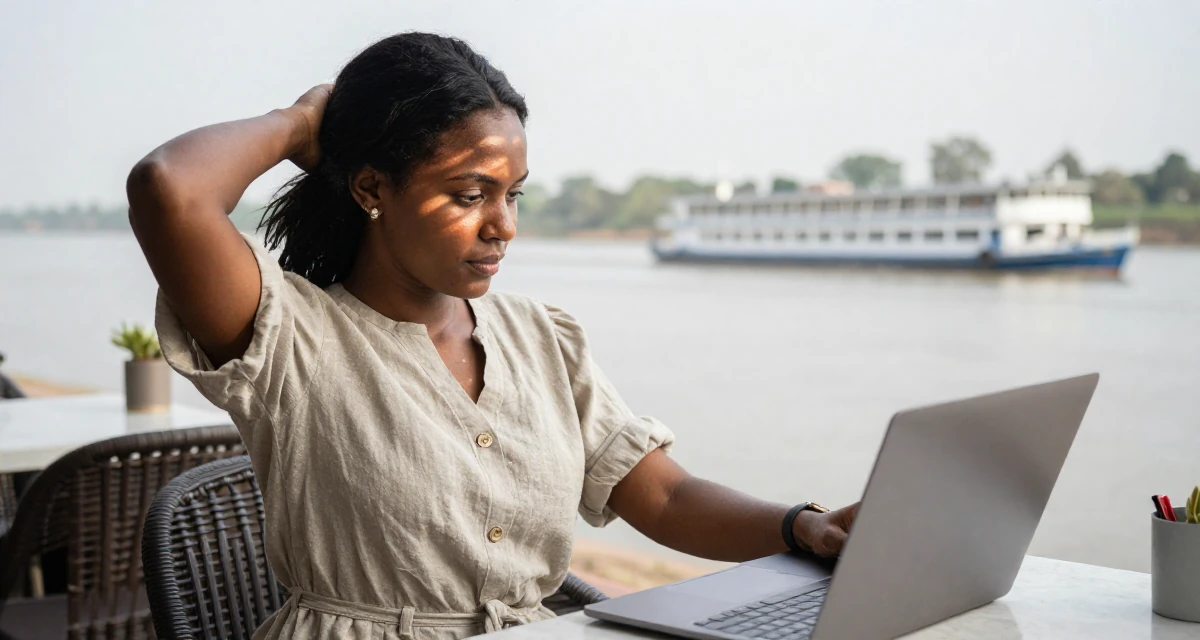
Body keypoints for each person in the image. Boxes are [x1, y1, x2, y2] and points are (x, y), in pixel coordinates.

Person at [128, 32, 857, 640]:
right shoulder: (287, 336)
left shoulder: (543, 336)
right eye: (469, 195)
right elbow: (171, 188)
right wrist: (301, 121)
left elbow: (665, 500)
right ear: (372, 189)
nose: (503, 225)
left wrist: (801, 528)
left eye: (513, 195)